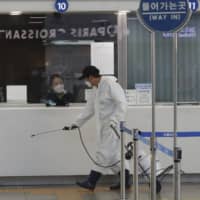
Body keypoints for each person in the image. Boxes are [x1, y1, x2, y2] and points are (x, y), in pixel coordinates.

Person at [69, 65, 132, 191]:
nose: (87, 82)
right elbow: (89, 109)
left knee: (103, 153)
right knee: (114, 156)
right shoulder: (95, 89)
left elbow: (122, 103)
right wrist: (76, 124)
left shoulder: (110, 84)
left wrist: (114, 120)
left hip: (113, 126)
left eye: (87, 79)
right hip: (104, 127)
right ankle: (126, 181)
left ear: (92, 77)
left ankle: (91, 181)